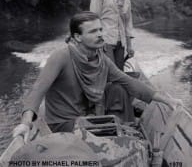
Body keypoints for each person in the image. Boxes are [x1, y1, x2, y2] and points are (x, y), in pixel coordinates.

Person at [13, 11, 182, 143]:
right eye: (93, 31)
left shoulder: (102, 59)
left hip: (87, 115)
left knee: (119, 88)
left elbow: (129, 82)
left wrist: (167, 100)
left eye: (101, 29)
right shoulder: (61, 56)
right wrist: (25, 123)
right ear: (77, 37)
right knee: (118, 136)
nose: (100, 34)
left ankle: (120, 132)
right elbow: (37, 90)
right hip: (64, 123)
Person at [90, 0, 134, 70]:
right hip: (105, 41)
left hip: (121, 43)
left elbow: (128, 23)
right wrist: (99, 41)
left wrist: (129, 45)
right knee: (109, 71)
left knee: (119, 72)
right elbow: (93, 19)